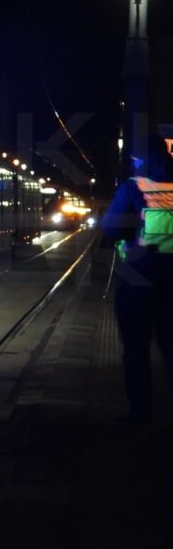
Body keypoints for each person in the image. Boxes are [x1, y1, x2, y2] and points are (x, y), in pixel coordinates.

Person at [102, 133, 173, 424]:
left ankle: (141, 411)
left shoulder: (135, 187)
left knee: (136, 347)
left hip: (139, 278)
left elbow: (110, 228)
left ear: (140, 157)